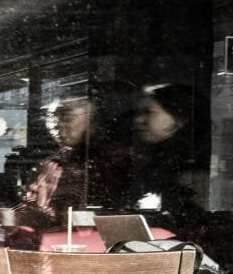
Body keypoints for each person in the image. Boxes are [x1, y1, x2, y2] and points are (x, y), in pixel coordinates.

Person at [18, 96, 133, 228]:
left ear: (94, 122)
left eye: (66, 116)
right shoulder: (54, 162)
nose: (57, 123)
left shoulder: (113, 164)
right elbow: (30, 205)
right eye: (53, 116)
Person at [131, 83, 201, 214]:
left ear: (181, 117)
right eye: (138, 113)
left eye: (149, 112)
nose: (138, 120)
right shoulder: (150, 157)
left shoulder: (190, 165)